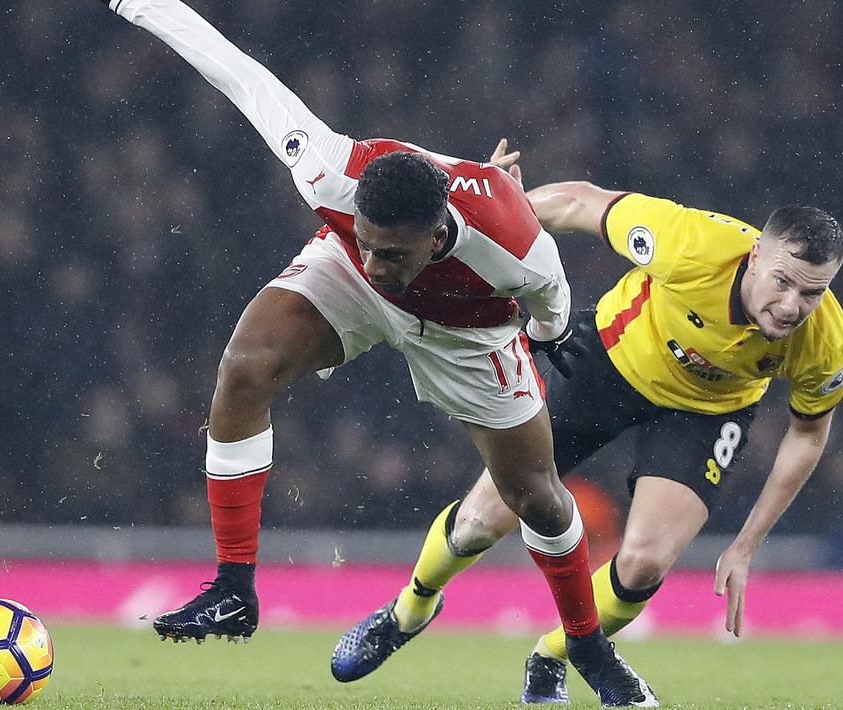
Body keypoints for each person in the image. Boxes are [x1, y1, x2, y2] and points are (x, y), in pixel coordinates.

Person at [97, 1, 655, 705]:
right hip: (347, 286)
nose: (376, 256)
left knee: (536, 499)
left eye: (390, 249)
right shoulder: (332, 174)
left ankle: (586, 646)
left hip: (470, 328)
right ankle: (234, 588)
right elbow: (236, 74)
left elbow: (549, 320)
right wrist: (144, 5)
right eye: (365, 235)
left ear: (436, 234)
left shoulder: (518, 253)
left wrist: (532, 351)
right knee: (243, 369)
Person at [335, 146, 843, 705]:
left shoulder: (827, 344)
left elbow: (807, 434)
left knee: (645, 563)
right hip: (605, 362)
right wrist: (497, 218)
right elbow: (581, 202)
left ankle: (554, 657)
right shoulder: (690, 244)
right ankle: (408, 611)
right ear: (754, 258)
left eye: (813, 292)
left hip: (707, 411)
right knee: (481, 522)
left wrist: (748, 544)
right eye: (784, 282)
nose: (794, 305)